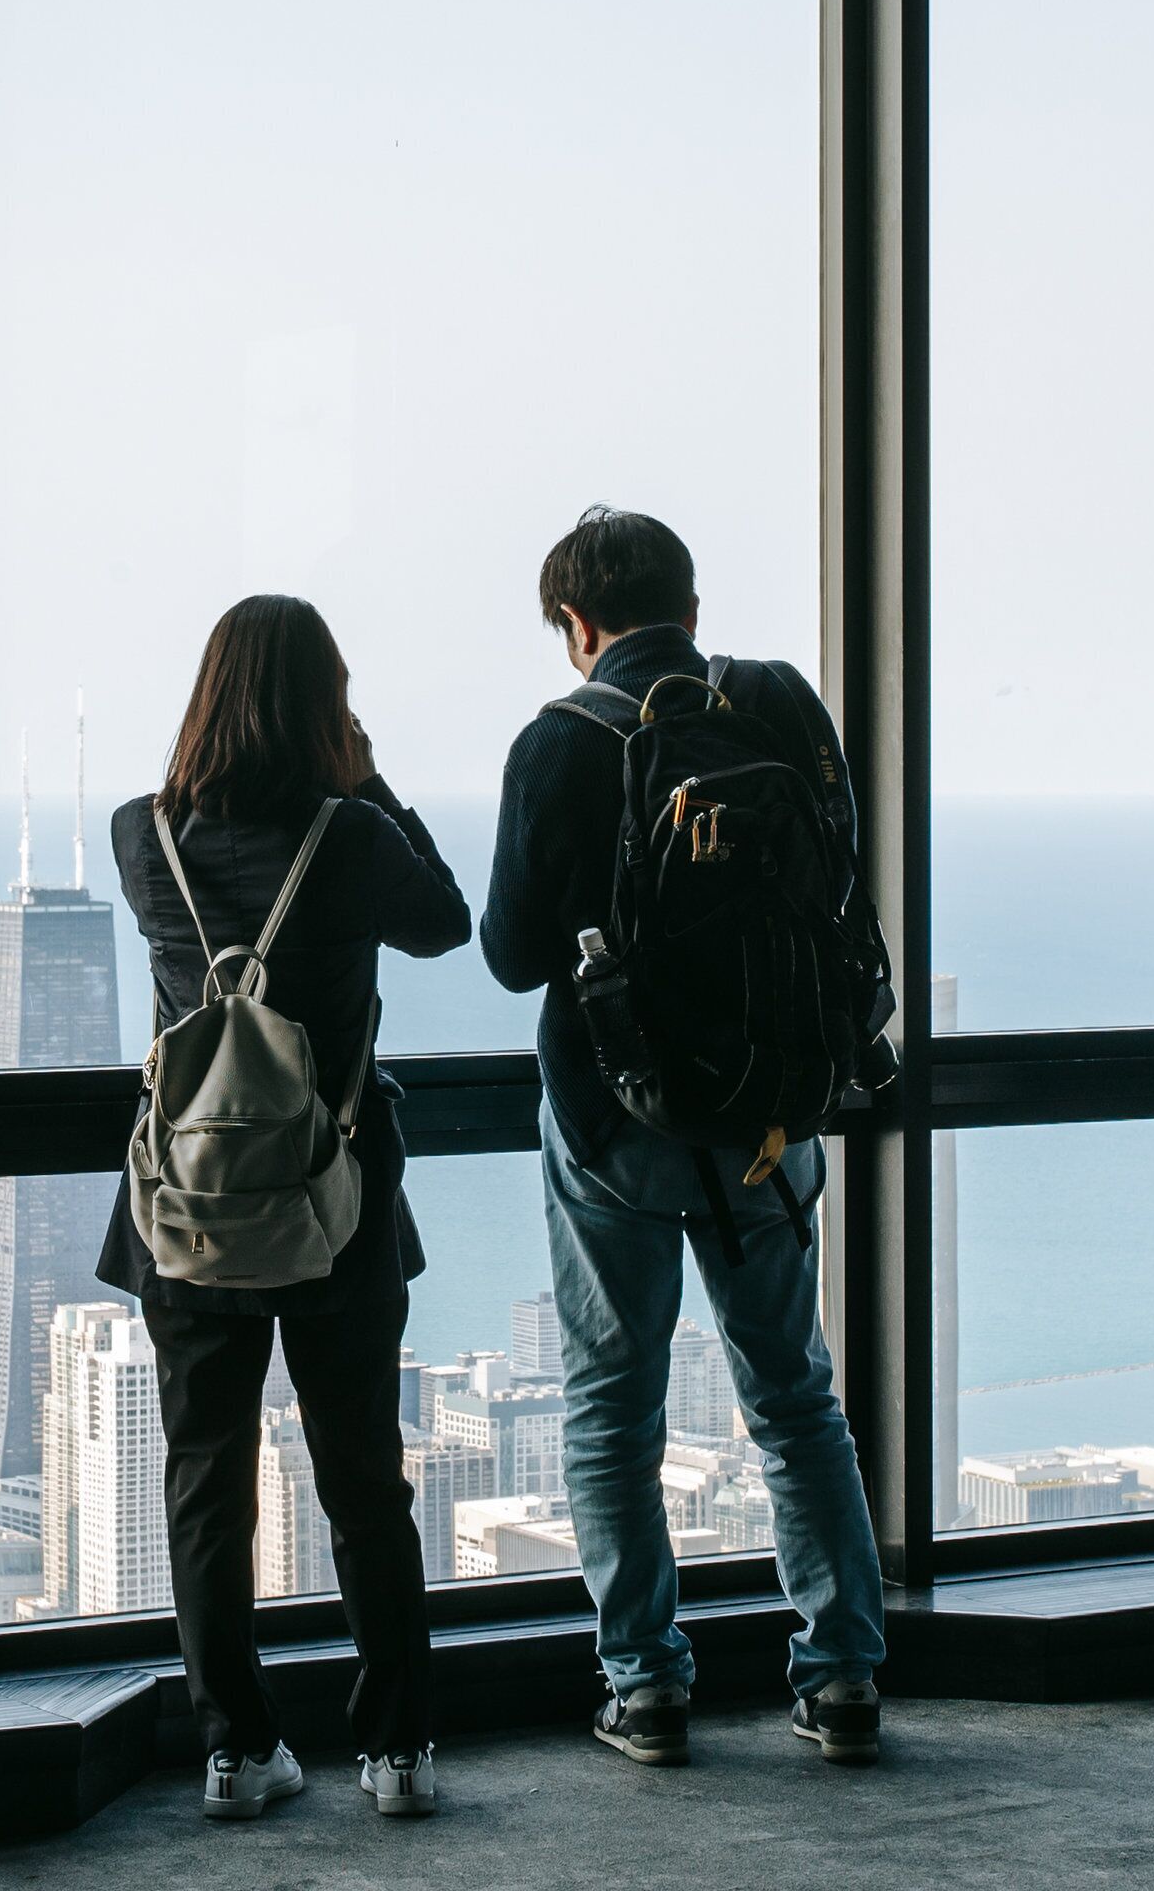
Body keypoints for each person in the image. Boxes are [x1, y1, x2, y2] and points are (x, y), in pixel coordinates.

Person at [480, 506, 891, 1769]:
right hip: (774, 1107)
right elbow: (835, 874)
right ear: (694, 610)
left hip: (620, 1116)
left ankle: (647, 1687)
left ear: (574, 627)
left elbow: (508, 956)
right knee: (793, 1393)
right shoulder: (776, 700)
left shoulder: (562, 742)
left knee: (613, 1403)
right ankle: (841, 1683)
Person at [100, 594, 473, 1823]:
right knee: (364, 1480)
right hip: (337, 1203)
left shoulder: (140, 836)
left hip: (190, 1211)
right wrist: (372, 784)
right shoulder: (351, 836)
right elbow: (448, 922)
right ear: (328, 704)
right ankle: (401, 1752)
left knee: (207, 1476)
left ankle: (235, 1749)